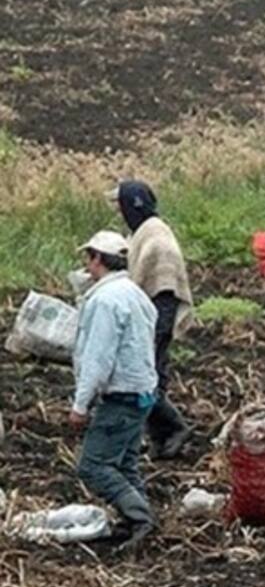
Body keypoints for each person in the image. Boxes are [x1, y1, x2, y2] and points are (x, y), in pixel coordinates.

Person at [71, 231, 160, 549]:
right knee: (124, 463)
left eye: (89, 258)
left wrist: (80, 405)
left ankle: (140, 518)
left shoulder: (105, 300)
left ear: (98, 258)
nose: (86, 265)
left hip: (121, 395)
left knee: (93, 466)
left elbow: (98, 358)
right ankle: (135, 520)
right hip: (143, 391)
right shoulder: (135, 293)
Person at [110, 180, 193, 458]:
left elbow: (164, 285)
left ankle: (176, 427)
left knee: (144, 379)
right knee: (154, 376)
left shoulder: (156, 240)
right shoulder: (145, 232)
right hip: (153, 312)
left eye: (121, 207)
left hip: (158, 314)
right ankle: (161, 439)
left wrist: (156, 329)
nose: (120, 213)